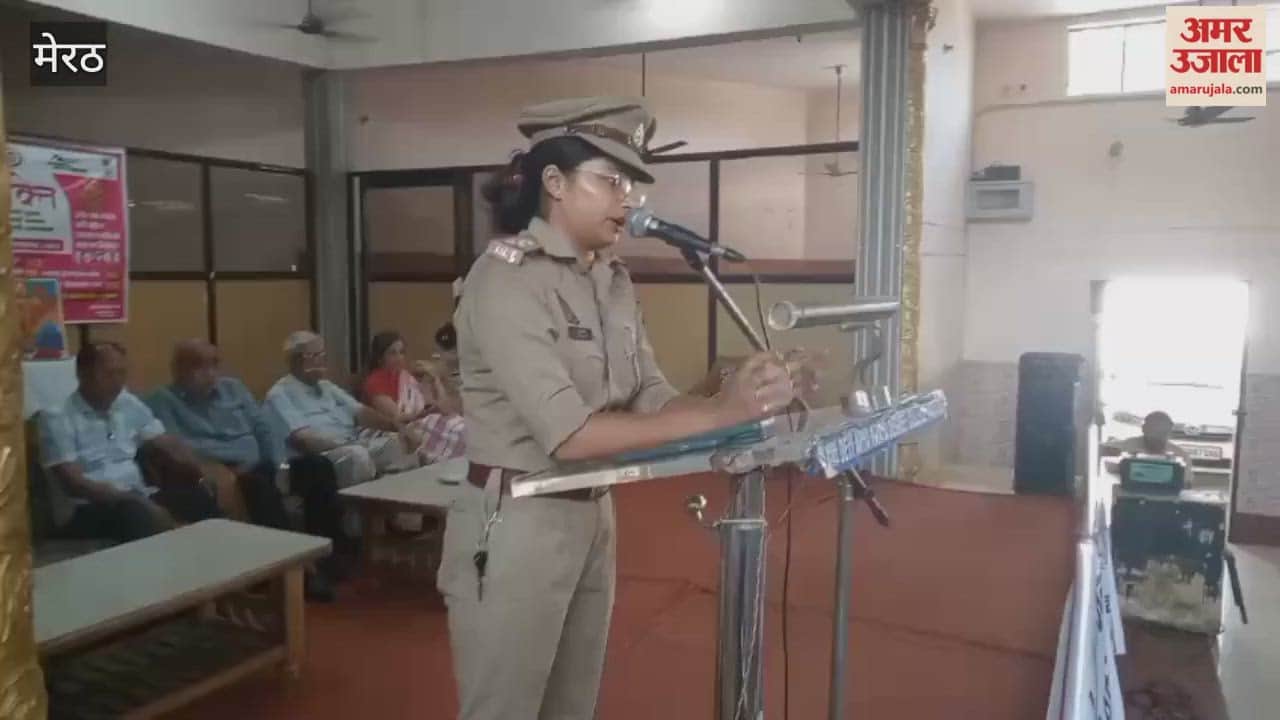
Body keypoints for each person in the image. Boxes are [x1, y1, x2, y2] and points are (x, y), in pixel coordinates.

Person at [439, 96, 812, 720]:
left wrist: (745, 397)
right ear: (554, 184)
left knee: (572, 706)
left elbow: (652, 399)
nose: (628, 199)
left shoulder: (610, 279)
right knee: (504, 709)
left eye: (631, 183)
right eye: (610, 180)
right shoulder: (505, 279)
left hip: (593, 513)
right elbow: (570, 436)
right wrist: (722, 413)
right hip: (517, 519)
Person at [146, 339, 347, 600]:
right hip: (226, 472)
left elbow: (265, 428)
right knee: (258, 488)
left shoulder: (234, 389)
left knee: (318, 467)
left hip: (265, 463)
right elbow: (180, 447)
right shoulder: (163, 401)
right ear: (178, 369)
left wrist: (280, 465)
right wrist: (230, 463)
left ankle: (328, 558)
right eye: (198, 366)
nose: (209, 372)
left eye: (214, 364)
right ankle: (297, 572)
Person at [38, 341, 222, 543]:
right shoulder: (57, 417)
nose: (117, 382)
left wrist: (201, 472)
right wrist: (132, 499)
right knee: (135, 514)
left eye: (121, 374)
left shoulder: (126, 403)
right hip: (87, 507)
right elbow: (74, 483)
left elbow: (168, 443)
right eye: (109, 374)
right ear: (83, 374)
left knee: (199, 497)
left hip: (138, 495)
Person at [263, 331, 419, 489]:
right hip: (316, 458)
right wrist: (345, 445)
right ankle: (359, 510)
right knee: (358, 456)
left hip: (350, 445)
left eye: (323, 354)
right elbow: (304, 440)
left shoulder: (327, 387)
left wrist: (394, 426)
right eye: (315, 355)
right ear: (295, 360)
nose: (323, 360)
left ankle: (391, 504)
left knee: (393, 445)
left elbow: (361, 413)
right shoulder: (280, 394)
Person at [362, 331, 466, 465]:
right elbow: (398, 417)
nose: (399, 358)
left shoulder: (407, 378)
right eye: (392, 353)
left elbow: (444, 407)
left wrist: (435, 379)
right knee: (457, 434)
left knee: (464, 428)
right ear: (380, 357)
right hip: (400, 426)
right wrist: (428, 412)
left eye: (402, 352)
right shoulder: (374, 381)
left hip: (423, 419)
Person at [1117, 410, 1196, 485]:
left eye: (1162, 432)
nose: (1158, 437)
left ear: (1169, 432)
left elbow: (1187, 483)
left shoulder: (1181, 456)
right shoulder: (1127, 447)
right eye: (1154, 431)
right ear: (1144, 429)